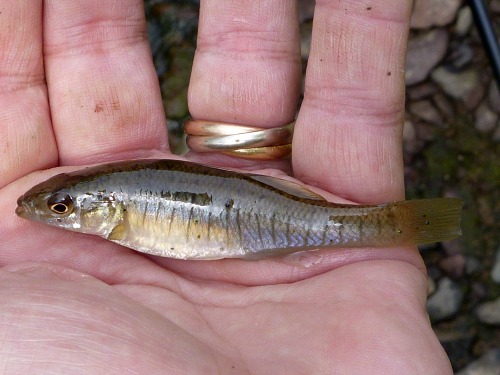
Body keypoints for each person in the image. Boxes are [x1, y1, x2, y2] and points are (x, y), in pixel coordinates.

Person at [0, 1, 453, 374]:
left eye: (62, 208)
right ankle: (391, 224)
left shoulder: (118, 211)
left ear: (106, 206)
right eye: (62, 207)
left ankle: (388, 225)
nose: (56, 213)